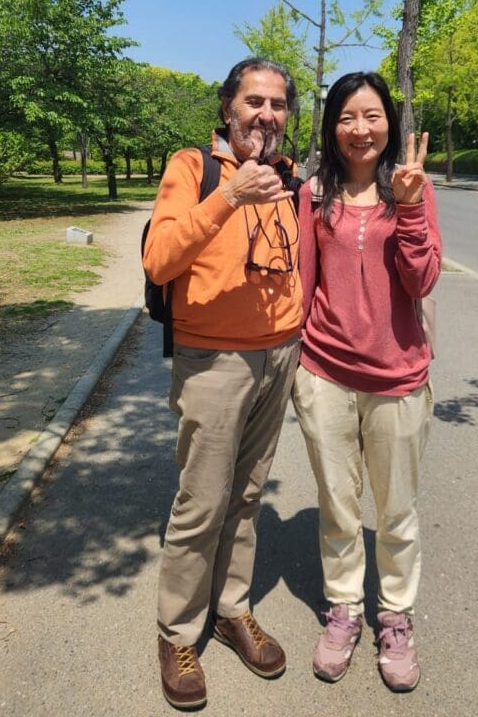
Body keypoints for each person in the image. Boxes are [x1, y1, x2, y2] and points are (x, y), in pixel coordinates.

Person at [143, 58, 302, 710]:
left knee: (247, 494)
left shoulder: (289, 176)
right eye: (253, 101)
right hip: (213, 360)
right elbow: (160, 257)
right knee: (202, 501)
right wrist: (229, 197)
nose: (266, 113)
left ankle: (232, 609)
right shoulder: (193, 167)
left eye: (278, 103)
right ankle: (177, 631)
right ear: (228, 106)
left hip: (279, 354)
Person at [292, 71, 441, 692]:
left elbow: (422, 279)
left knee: (397, 510)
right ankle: (344, 610)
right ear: (332, 126)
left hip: (397, 377)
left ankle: (396, 617)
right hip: (324, 372)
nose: (361, 129)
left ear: (390, 123)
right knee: (338, 506)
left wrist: (407, 207)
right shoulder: (314, 191)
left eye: (372, 115)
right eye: (348, 117)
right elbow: (301, 279)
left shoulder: (412, 188)